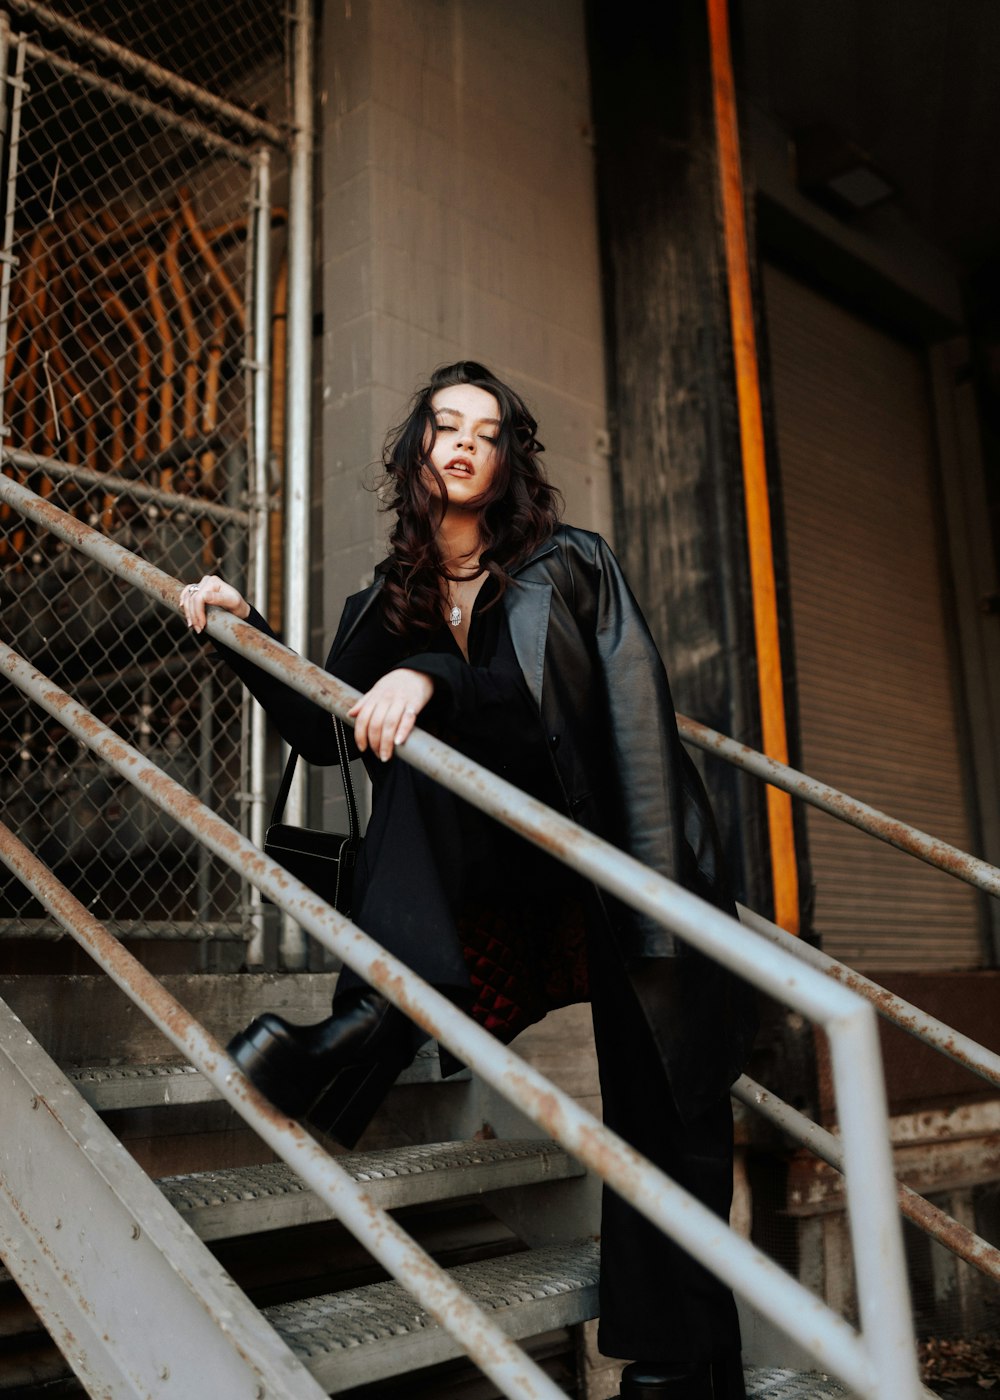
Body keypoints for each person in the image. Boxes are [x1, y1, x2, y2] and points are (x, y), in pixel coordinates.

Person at [180, 361, 757, 1400]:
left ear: (506, 461)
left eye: (486, 431)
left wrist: (662, 901)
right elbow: (321, 724)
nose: (462, 443)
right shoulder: (386, 600)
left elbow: (622, 724)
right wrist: (241, 627)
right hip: (489, 875)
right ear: (416, 451)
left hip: (615, 855)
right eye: (444, 425)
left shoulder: (571, 565)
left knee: (666, 1107)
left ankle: (682, 1367)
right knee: (399, 755)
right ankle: (371, 1009)